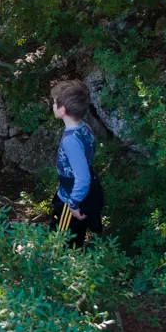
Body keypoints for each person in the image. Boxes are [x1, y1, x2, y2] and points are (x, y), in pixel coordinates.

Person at [49, 80, 104, 248]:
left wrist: (73, 204)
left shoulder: (71, 140)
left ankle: (63, 269)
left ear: (63, 110)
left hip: (72, 200)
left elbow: (82, 177)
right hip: (70, 191)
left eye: (54, 103)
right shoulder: (83, 127)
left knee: (62, 241)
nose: (52, 105)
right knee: (72, 236)